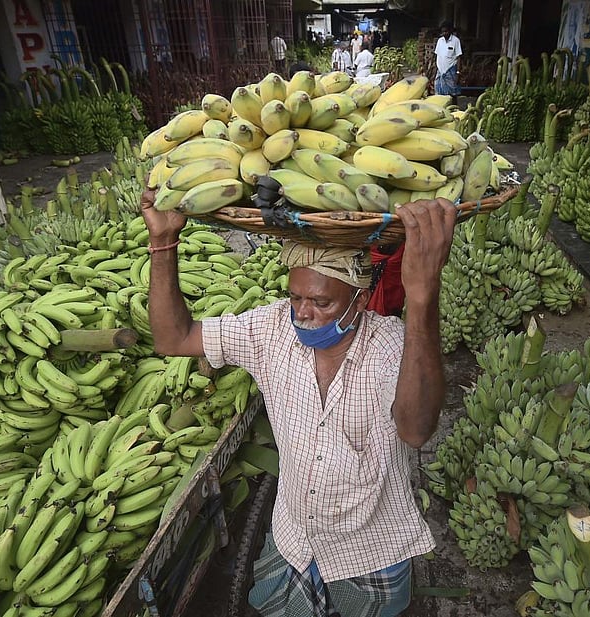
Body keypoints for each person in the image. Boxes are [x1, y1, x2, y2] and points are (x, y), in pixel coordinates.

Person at [139, 185, 459, 615]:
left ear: (360, 300)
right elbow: (173, 338)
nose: (303, 313)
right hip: (295, 539)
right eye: (296, 297)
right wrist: (163, 243)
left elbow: (417, 430)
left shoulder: (390, 345)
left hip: (370, 549)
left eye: (321, 302)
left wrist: (422, 296)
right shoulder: (271, 330)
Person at [434, 22, 462, 97]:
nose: (444, 33)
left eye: (446, 31)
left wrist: (458, 73)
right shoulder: (440, 41)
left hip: (450, 71)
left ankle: (453, 107)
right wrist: (435, 70)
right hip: (440, 71)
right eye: (443, 32)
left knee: (452, 93)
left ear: (450, 31)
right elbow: (437, 56)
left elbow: (459, 57)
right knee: (438, 91)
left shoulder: (456, 41)